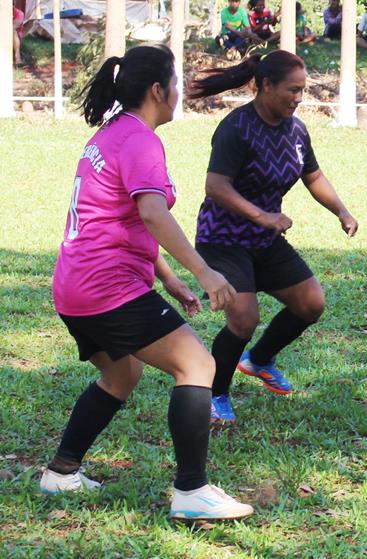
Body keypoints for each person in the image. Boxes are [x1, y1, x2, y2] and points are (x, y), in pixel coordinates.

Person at [40, 45, 253, 521]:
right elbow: (151, 213)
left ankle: (61, 471)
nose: (178, 92)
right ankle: (191, 492)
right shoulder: (140, 141)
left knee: (121, 375)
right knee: (198, 364)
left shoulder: (110, 135)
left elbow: (117, 220)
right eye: (175, 84)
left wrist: (171, 279)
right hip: (106, 286)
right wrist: (205, 271)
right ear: (158, 90)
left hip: (74, 285)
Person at [187, 51, 359, 424]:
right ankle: (214, 393)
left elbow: (312, 176)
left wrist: (341, 211)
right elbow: (216, 186)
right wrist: (262, 215)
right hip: (223, 239)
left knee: (311, 303)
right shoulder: (237, 128)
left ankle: (260, 359)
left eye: (302, 90)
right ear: (266, 86)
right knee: (244, 318)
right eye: (292, 90)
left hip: (265, 239)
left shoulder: (296, 130)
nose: (298, 98)